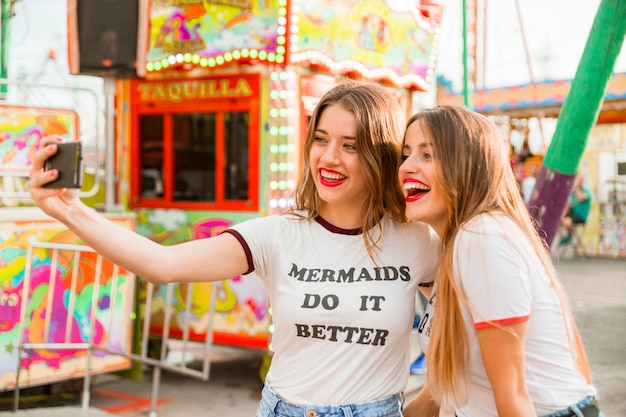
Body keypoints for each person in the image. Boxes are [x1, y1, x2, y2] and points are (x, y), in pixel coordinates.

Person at [28, 81, 440, 416]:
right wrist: (67, 209)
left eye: (350, 145)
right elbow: (161, 264)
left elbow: (471, 325)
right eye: (320, 139)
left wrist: (430, 401)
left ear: (381, 155)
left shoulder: (418, 242)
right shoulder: (277, 234)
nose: (328, 158)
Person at [398, 105, 601, 417]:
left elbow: (514, 396)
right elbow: (439, 390)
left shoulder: (482, 237)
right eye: (406, 154)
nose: (406, 167)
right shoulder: (454, 247)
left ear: (466, 166)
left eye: (428, 155)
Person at [559, 174, 591, 245]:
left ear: (581, 181)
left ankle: (570, 236)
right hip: (573, 214)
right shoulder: (573, 194)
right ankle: (563, 237)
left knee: (567, 221)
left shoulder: (586, 191)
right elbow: (570, 206)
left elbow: (581, 198)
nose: (575, 181)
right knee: (556, 220)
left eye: (577, 179)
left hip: (580, 216)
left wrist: (576, 188)